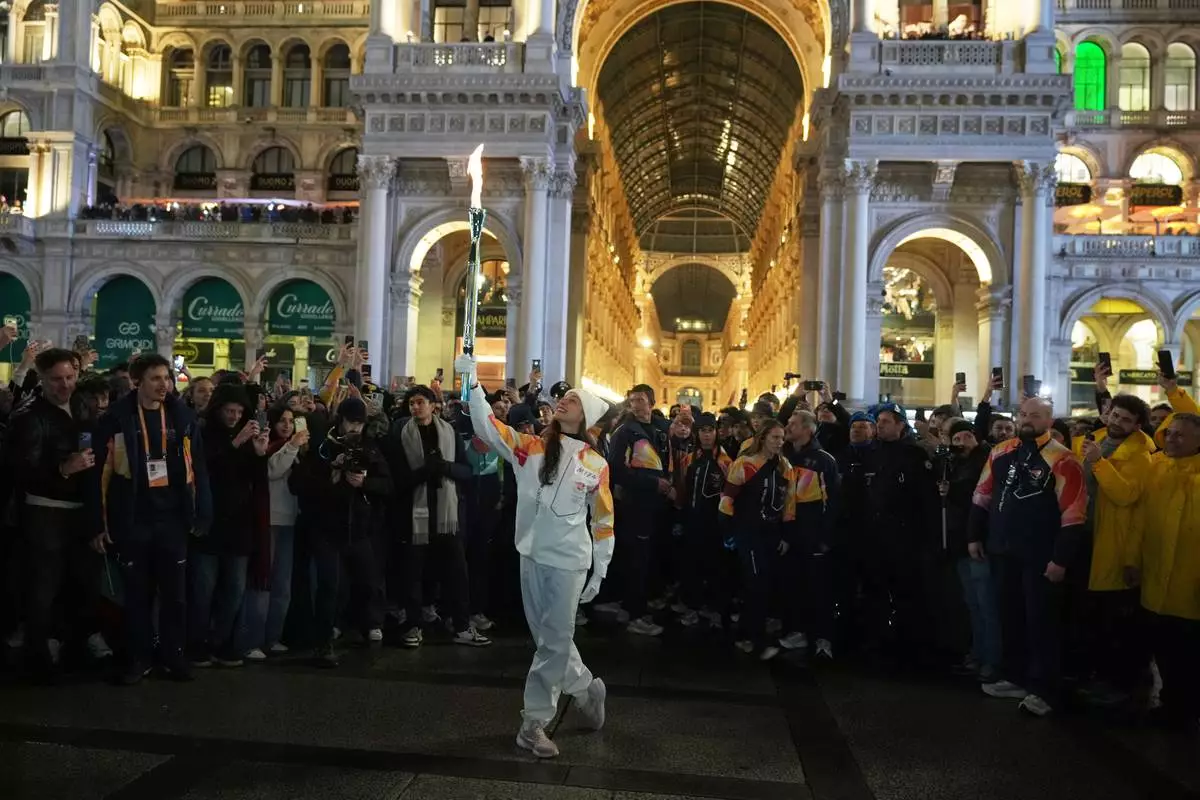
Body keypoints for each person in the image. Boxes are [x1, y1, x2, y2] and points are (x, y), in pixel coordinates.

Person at [462, 355, 614, 760]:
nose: (564, 401)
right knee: (550, 641)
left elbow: (603, 520)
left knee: (553, 643)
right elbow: (490, 430)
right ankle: (583, 689)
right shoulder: (530, 448)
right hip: (530, 555)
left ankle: (533, 723)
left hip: (569, 562)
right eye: (564, 398)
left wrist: (600, 568)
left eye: (574, 401)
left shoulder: (596, 464)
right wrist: (473, 385)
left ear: (585, 418)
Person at [88, 354, 211, 685]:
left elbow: (197, 468)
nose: (164, 384)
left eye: (166, 378)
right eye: (155, 378)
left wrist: (202, 513)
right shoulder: (117, 418)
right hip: (133, 520)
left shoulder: (182, 417)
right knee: (137, 596)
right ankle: (139, 659)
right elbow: (100, 475)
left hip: (172, 520)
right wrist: (99, 524)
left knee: (176, 595)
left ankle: (174, 657)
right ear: (136, 382)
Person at [968, 397, 1087, 716]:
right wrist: (974, 536)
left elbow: (1074, 515)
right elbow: (982, 495)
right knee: (1011, 616)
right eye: (1023, 414)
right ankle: (1015, 677)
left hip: (1041, 555)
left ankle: (1045, 689)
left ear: (1050, 420)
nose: (1027, 420)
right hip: (1003, 550)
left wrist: (1060, 559)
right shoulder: (1001, 451)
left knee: (1042, 622)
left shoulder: (1063, 460)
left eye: (1035, 415)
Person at [3, 348, 101, 679]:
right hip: (45, 510)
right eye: (57, 379)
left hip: (81, 507)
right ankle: (37, 655)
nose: (65, 385)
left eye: (70, 377)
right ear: (41, 379)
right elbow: (21, 470)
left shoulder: (82, 403)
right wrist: (62, 468)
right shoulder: (30, 416)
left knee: (80, 582)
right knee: (44, 585)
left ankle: (73, 646)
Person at [291, 396, 392, 666]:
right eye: (351, 423)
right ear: (341, 420)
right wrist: (332, 477)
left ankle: (358, 625)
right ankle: (323, 643)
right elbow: (301, 483)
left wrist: (365, 482)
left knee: (367, 581)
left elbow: (387, 484)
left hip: (358, 528)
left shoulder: (369, 447)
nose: (355, 429)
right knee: (329, 586)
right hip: (327, 528)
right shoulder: (322, 445)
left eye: (360, 424)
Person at [388, 385, 490, 649]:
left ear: (433, 405)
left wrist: (445, 468)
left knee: (457, 572)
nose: (415, 407)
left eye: (420, 402)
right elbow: (397, 477)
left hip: (448, 514)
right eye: (411, 403)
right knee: (412, 573)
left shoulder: (449, 432)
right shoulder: (401, 433)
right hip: (414, 513)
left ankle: (461, 626)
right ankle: (413, 625)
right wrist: (424, 472)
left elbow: (466, 471)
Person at [1073, 394, 1153, 705]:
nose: (1118, 422)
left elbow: (1125, 495)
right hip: (1087, 537)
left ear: (1137, 425)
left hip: (1114, 544)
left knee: (1115, 625)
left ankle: (1119, 685)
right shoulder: (1098, 440)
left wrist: (1098, 463)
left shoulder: (1140, 456)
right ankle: (1098, 677)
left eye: (1126, 419)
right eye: (1115, 415)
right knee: (1091, 618)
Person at [1130, 412, 1200, 731]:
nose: (1170, 438)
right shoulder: (1156, 466)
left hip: (1190, 583)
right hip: (1156, 580)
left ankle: (1186, 709)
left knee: (1189, 652)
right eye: (1169, 433)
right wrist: (1133, 560)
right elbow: (1140, 520)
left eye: (1180, 435)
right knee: (1164, 649)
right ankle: (1172, 705)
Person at [720, 419, 794, 661]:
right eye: (774, 437)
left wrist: (785, 535)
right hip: (748, 532)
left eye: (782, 438)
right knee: (757, 584)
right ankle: (756, 640)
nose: (779, 442)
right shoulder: (745, 465)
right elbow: (727, 499)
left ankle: (745, 635)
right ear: (762, 438)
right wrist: (729, 531)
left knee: (763, 584)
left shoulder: (785, 466)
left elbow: (788, 504)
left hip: (771, 533)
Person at [240, 403, 309, 661]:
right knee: (262, 584)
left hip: (290, 521)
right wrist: (291, 446)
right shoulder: (269, 445)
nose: (287, 425)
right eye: (282, 420)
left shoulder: (297, 449)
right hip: (268, 521)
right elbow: (271, 471)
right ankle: (252, 640)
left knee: (282, 585)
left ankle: (273, 637)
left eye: (291, 421)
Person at [605, 384, 671, 636]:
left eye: (641, 399)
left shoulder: (661, 429)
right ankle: (635, 614)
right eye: (632, 400)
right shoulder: (625, 432)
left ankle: (633, 605)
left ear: (652, 402)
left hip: (656, 503)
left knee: (647, 558)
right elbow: (617, 469)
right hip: (636, 503)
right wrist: (654, 483)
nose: (636, 404)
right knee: (637, 559)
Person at [940, 418, 999, 682]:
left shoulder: (986, 459)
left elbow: (979, 491)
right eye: (955, 438)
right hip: (960, 541)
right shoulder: (954, 464)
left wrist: (954, 489)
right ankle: (978, 653)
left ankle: (992, 660)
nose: (961, 440)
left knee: (987, 604)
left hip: (979, 541)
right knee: (973, 603)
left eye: (966, 435)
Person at [779, 410, 841, 659]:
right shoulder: (784, 457)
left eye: (793, 424)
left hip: (813, 533)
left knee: (818, 588)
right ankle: (798, 631)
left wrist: (825, 536)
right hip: (790, 533)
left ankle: (823, 637)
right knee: (794, 585)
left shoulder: (823, 460)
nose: (788, 427)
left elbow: (832, 501)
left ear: (809, 429)